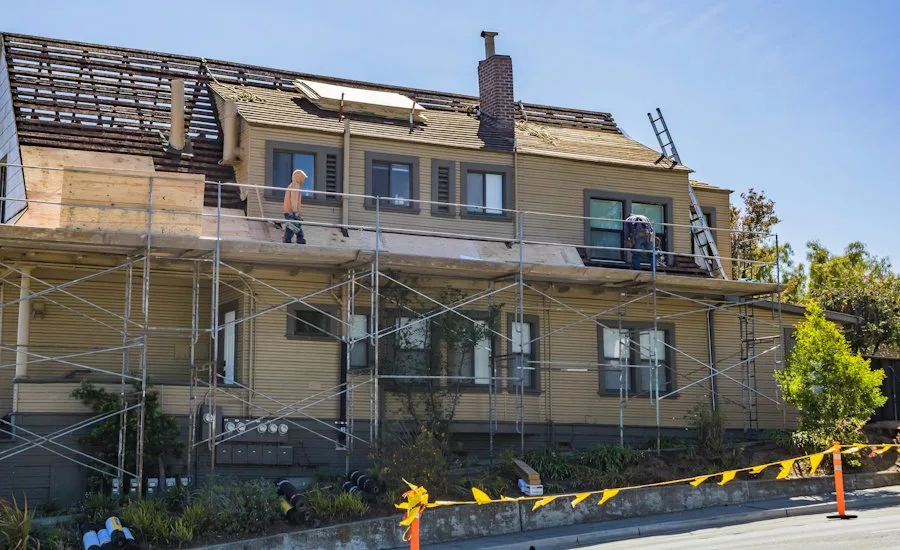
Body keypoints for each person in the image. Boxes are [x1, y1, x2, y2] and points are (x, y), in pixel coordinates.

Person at [282, 169, 307, 244]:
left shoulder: (292, 185)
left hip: (289, 211)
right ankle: (300, 238)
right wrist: (295, 212)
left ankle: (287, 239)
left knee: (291, 227)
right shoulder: (295, 185)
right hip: (291, 212)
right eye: (303, 178)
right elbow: (294, 199)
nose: (303, 180)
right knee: (295, 226)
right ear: (299, 177)